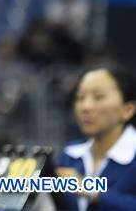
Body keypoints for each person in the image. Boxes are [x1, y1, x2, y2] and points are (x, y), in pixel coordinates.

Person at [54, 66, 136, 210]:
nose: (85, 107)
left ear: (127, 110)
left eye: (99, 97)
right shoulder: (70, 155)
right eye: (80, 98)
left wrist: (90, 189)